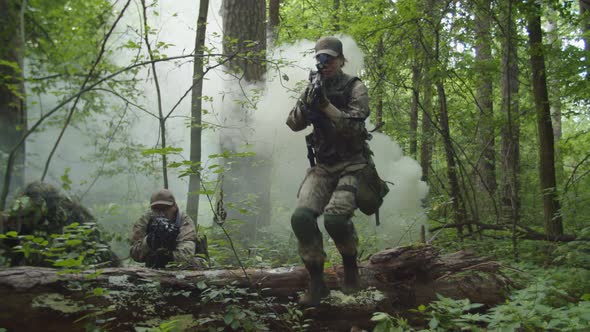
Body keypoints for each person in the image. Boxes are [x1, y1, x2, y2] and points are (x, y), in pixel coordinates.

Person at [286, 36, 373, 306]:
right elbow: (293, 124)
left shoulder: (354, 87)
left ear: (341, 60)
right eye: (321, 59)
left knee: (335, 220)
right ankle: (316, 284)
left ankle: (350, 270)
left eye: (331, 59)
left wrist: (326, 106)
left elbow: (355, 127)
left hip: (352, 165)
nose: (326, 64)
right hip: (323, 167)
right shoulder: (314, 86)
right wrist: (308, 102)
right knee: (301, 218)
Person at [130, 188, 205, 269]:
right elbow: (134, 254)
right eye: (156, 209)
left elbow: (187, 254)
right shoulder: (146, 220)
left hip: (181, 266)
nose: (161, 213)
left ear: (175, 207)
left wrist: (169, 257)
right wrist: (148, 241)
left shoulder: (184, 221)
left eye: (165, 208)